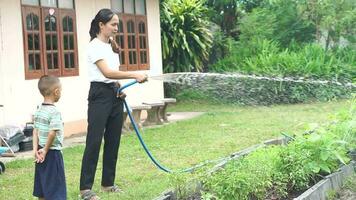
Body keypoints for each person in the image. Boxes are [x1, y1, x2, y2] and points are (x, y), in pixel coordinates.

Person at [79, 8, 147, 200]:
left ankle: (108, 183)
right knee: (94, 141)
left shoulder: (110, 46)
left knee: (113, 140)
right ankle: (85, 189)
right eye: (114, 24)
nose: (117, 28)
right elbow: (107, 73)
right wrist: (134, 73)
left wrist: (119, 88)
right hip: (99, 95)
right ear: (101, 25)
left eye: (118, 24)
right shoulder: (94, 46)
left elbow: (113, 77)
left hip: (114, 94)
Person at [33, 75, 66, 200]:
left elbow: (35, 130)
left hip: (40, 154)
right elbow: (52, 133)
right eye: (61, 91)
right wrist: (46, 150)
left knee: (43, 186)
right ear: (56, 92)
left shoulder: (39, 110)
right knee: (55, 188)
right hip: (52, 153)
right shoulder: (54, 112)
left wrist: (36, 150)